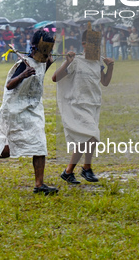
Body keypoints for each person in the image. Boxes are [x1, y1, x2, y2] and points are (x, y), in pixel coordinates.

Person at [0, 30, 58, 194]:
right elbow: (9, 85)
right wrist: (23, 75)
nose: (48, 53)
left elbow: (42, 70)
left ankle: (39, 185)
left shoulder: (43, 62)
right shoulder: (24, 64)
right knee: (13, 146)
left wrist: (52, 61)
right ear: (36, 46)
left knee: (39, 144)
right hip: (16, 110)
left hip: (33, 108)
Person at [53, 31, 114, 185]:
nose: (95, 47)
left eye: (97, 44)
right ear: (84, 44)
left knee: (85, 139)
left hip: (93, 104)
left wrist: (110, 67)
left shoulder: (98, 62)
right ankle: (86, 167)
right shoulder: (75, 60)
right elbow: (55, 78)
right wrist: (67, 62)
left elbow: (105, 82)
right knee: (92, 135)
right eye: (92, 43)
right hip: (77, 104)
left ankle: (69, 171)